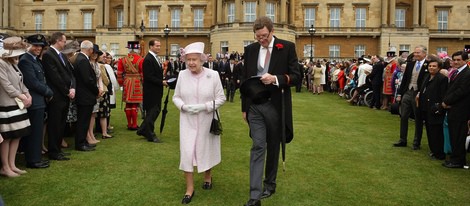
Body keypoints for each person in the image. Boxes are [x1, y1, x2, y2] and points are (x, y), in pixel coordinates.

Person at [240, 16, 300, 206]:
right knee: (258, 146)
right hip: (255, 106)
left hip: (275, 104)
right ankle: (254, 196)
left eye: (264, 36)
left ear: (272, 31)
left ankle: (270, 184)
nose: (261, 40)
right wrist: (244, 108)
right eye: (258, 37)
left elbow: (297, 76)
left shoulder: (287, 47)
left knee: (273, 145)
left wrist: (275, 79)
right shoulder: (250, 50)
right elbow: (245, 80)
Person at [172, 42, 226, 204]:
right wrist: (183, 106)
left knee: (205, 149)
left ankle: (207, 177)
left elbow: (221, 98)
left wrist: (204, 107)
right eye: (188, 60)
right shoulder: (182, 75)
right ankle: (189, 189)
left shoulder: (213, 75)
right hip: (187, 120)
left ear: (202, 59)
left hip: (207, 119)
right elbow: (176, 97)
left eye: (194, 59)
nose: (191, 63)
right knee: (187, 152)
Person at [18, 34, 53, 169]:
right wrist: (48, 92)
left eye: (40, 46)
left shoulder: (34, 60)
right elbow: (32, 82)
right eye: (35, 45)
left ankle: (35, 157)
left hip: (39, 100)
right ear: (28, 45)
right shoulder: (26, 60)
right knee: (34, 132)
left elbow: (41, 80)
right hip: (34, 100)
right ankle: (33, 160)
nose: (38, 48)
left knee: (37, 131)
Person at [0, 36, 32, 177]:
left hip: (17, 105)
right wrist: (21, 96)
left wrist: (27, 93)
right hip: (6, 104)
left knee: (17, 135)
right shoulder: (1, 63)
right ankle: (5, 167)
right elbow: (6, 84)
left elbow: (20, 82)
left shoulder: (13, 62)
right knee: (7, 137)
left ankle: (12, 165)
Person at [42, 32, 75, 161]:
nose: (65, 43)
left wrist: (72, 87)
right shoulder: (48, 55)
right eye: (63, 41)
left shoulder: (61, 55)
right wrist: (67, 91)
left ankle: (58, 149)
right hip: (56, 95)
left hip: (65, 94)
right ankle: (53, 151)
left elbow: (70, 73)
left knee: (61, 123)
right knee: (55, 124)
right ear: (57, 41)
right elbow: (54, 77)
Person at [393, 45, 429, 150]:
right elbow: (404, 80)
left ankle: (416, 142)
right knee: (403, 116)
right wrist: (400, 93)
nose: (416, 54)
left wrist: (421, 93)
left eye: (418, 52)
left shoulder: (427, 66)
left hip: (418, 94)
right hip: (408, 92)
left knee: (418, 118)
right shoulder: (410, 64)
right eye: (415, 52)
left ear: (424, 54)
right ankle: (402, 140)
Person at [441, 51, 470, 168]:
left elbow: (461, 91)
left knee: (458, 136)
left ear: (465, 60)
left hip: (461, 110)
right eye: (454, 60)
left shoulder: (467, 74)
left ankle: (458, 160)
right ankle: (455, 158)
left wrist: (446, 101)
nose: (456, 62)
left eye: (459, 60)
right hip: (453, 108)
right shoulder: (455, 72)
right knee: (453, 134)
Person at [416, 55, 447, 160]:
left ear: (438, 68)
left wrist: (439, 107)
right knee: (429, 130)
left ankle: (439, 153)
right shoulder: (427, 77)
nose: (431, 68)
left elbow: (443, 95)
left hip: (435, 108)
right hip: (425, 107)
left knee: (436, 132)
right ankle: (433, 150)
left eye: (434, 66)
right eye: (430, 66)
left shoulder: (442, 78)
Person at [136, 39, 167, 143]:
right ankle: (150, 135)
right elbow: (149, 77)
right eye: (157, 46)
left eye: (159, 46)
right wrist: (161, 82)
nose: (159, 47)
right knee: (152, 112)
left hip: (156, 90)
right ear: (151, 46)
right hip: (151, 91)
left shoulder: (154, 58)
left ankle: (142, 129)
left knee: (155, 111)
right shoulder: (148, 59)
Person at [72, 40, 98, 152]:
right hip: (85, 95)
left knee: (84, 120)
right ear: (90, 50)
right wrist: (96, 90)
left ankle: (83, 141)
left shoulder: (80, 58)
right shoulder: (82, 60)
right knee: (83, 121)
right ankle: (80, 143)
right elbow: (87, 79)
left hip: (84, 95)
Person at [117, 41, 144, 130]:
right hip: (136, 82)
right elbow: (143, 73)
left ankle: (129, 124)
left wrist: (121, 84)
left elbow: (119, 74)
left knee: (128, 104)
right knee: (135, 105)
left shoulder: (122, 60)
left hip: (127, 82)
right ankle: (134, 124)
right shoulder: (140, 59)